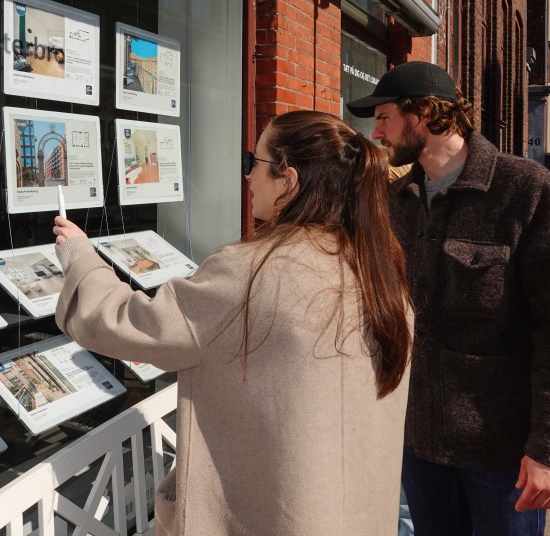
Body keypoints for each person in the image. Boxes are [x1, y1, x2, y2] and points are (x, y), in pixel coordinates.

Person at [53, 110, 413, 536]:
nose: (247, 177)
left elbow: (125, 323)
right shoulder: (376, 268)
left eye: (252, 163)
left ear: (289, 180)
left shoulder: (253, 272)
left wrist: (80, 257)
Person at [347, 61, 550, 535]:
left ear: (423, 113)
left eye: (384, 117)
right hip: (419, 447)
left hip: (502, 457)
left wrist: (544, 449)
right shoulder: (394, 199)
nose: (376, 132)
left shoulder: (524, 190)